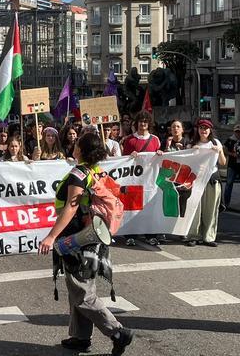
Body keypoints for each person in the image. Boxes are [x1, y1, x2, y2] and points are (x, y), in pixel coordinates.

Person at [39, 132, 134, 355]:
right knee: (79, 287)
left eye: (77, 143)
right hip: (92, 234)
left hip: (77, 237)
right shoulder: (96, 171)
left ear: (80, 149)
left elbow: (71, 207)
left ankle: (118, 332)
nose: (73, 145)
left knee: (82, 292)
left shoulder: (78, 174)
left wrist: (51, 236)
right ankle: (81, 338)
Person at [121, 111, 162, 246]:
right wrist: (129, 156)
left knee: (149, 207)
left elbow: (160, 159)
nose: (143, 124)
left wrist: (160, 153)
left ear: (149, 124)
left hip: (149, 181)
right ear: (136, 123)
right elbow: (123, 161)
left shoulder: (155, 140)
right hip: (134, 180)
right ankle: (130, 235)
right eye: (140, 121)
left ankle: (151, 235)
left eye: (145, 121)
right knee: (132, 208)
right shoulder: (129, 140)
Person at [184, 120, 227, 247]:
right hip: (196, 180)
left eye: (206, 128)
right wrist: (191, 151)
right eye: (201, 128)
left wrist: (219, 151)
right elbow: (186, 163)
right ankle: (193, 236)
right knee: (195, 209)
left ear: (210, 130)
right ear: (197, 130)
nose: (204, 131)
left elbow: (223, 162)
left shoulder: (216, 143)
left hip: (212, 180)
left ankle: (208, 237)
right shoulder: (192, 144)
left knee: (211, 209)